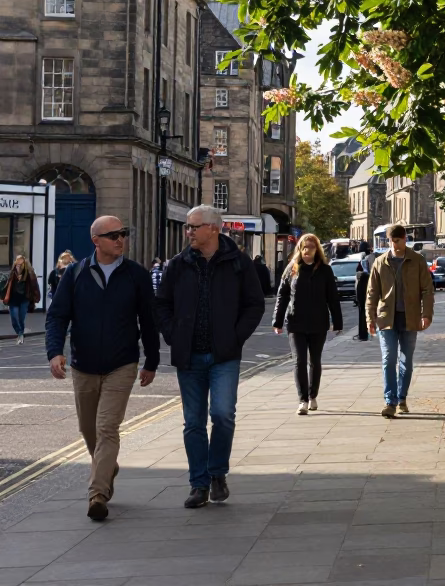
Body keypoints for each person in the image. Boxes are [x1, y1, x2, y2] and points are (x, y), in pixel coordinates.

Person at [45, 216, 158, 522]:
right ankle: (108, 467)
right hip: (83, 364)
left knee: (107, 428)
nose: (120, 239)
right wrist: (55, 352)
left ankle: (98, 494)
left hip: (122, 363)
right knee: (88, 429)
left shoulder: (136, 275)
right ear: (96, 241)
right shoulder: (75, 273)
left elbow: (148, 320)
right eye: (113, 235)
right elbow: (57, 316)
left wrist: (152, 360)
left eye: (123, 233)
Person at [155, 205, 265, 509]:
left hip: (224, 356)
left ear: (213, 229)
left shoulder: (239, 263)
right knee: (193, 422)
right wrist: (172, 334)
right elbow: (161, 305)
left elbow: (254, 305)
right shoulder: (177, 265)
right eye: (188, 227)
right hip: (189, 356)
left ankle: (218, 473)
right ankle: (199, 484)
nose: (188, 231)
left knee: (222, 414)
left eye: (193, 226)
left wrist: (235, 335)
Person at [366, 223, 434, 418]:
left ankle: (402, 397)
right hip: (386, 318)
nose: (395, 245)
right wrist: (369, 318)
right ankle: (390, 401)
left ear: (405, 239)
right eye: (392, 241)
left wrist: (426, 314)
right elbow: (372, 293)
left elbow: (427, 290)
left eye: (398, 240)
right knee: (389, 359)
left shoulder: (417, 260)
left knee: (406, 360)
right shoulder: (380, 262)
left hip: (410, 317)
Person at [273, 234, 342, 415]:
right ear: (299, 249)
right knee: (299, 361)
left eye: (310, 247)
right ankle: (302, 400)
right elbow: (282, 296)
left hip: (318, 322)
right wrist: (277, 321)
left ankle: (313, 396)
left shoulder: (325, 270)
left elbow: (333, 298)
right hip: (296, 322)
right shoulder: (292, 269)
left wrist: (337, 321)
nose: (307, 251)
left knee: (315, 361)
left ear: (316, 250)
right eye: (304, 247)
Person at [2, 255, 40, 343]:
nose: (18, 265)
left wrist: (36, 297)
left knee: (21, 319)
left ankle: (20, 335)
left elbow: (34, 286)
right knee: (14, 320)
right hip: (13, 300)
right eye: (17, 263)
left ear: (24, 264)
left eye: (20, 263)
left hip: (24, 300)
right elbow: (7, 285)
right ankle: (20, 333)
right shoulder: (12, 273)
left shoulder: (28, 273)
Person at [354, 248, 377, 340]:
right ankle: (364, 333)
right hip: (367, 284)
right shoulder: (373, 259)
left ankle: (363, 334)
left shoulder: (364, 261)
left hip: (365, 285)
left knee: (363, 311)